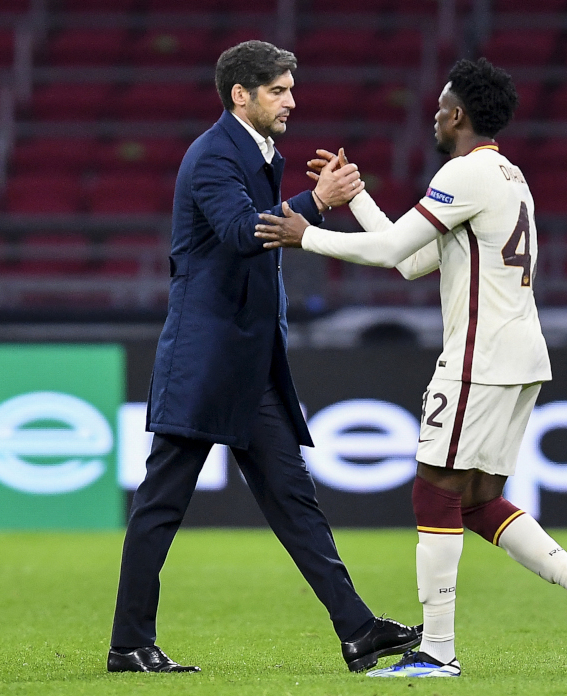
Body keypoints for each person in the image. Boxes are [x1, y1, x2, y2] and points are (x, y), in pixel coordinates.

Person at [255, 57, 567, 678]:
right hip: (518, 356)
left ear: (457, 114)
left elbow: (387, 251)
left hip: (480, 358)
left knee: (433, 489)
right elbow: (410, 261)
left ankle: (437, 652)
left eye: (439, 106)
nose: (433, 115)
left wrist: (308, 235)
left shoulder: (465, 173)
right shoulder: (507, 176)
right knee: (478, 502)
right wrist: (358, 199)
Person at [108, 40, 420, 675]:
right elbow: (239, 231)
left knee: (294, 501)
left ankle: (357, 631)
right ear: (240, 95)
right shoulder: (213, 156)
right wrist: (316, 204)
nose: (292, 101)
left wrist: (314, 203)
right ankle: (128, 644)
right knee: (161, 503)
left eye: (290, 88)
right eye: (278, 90)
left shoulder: (256, 152)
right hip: (206, 358)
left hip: (249, 362)